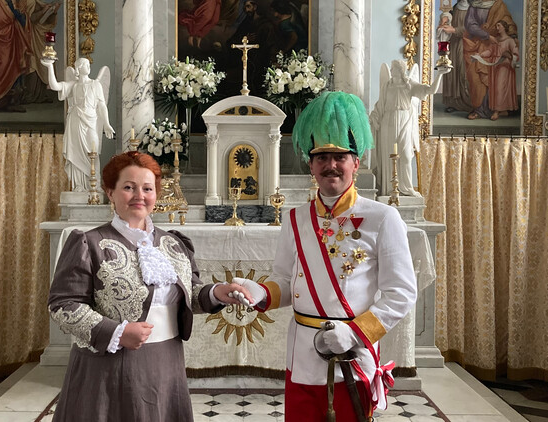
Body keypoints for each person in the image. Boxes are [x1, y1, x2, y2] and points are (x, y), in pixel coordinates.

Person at [232, 91, 418, 422]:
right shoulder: (295, 218)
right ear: (311, 164)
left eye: (339, 157)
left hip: (352, 356)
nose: (330, 165)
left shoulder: (383, 217)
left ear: (356, 162)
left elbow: (401, 293)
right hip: (302, 357)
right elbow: (285, 280)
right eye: (321, 157)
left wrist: (355, 333)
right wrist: (259, 292)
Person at [48, 151, 254, 422]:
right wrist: (117, 332)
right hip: (107, 369)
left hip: (165, 363)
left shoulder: (174, 243)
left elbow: (189, 294)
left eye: (147, 188)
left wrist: (216, 292)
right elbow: (63, 305)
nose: (139, 196)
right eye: (128, 187)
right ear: (110, 192)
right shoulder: (89, 243)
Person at [369, 59, 450, 197]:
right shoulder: (387, 85)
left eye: (394, 68)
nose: (391, 70)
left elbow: (430, 90)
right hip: (388, 122)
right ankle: (389, 190)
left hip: (404, 120)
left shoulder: (409, 84)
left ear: (400, 70)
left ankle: (406, 188)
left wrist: (440, 74)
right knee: (388, 157)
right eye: (392, 68)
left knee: (406, 155)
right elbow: (380, 105)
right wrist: (373, 117)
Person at [41, 57, 114, 192]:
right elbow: (55, 86)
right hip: (75, 121)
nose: (89, 66)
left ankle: (96, 184)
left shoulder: (96, 85)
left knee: (94, 151)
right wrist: (50, 66)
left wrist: (106, 124)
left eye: (88, 64)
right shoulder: (73, 85)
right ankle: (79, 185)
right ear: (79, 68)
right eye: (85, 65)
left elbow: (102, 106)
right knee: (76, 151)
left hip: (91, 122)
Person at [463, 0, 516, 120]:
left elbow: (508, 23)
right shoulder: (474, 6)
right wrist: (487, 35)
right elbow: (470, 25)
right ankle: (479, 109)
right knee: (476, 78)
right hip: (477, 44)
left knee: (494, 80)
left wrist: (512, 36)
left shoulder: (499, 5)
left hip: (496, 47)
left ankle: (496, 109)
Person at [479, 19, 519, 120]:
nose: (497, 28)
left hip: (505, 67)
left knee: (500, 88)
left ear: (504, 27)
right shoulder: (496, 40)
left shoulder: (509, 40)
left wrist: (509, 56)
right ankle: (503, 110)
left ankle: (497, 111)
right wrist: (480, 55)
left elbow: (515, 54)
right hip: (495, 66)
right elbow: (490, 51)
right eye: (496, 26)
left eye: (499, 26)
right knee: (495, 88)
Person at [439, 0, 472, 113]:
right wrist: (445, 20)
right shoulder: (456, 7)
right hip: (453, 44)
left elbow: (473, 28)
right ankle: (453, 102)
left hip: (467, 44)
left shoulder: (473, 9)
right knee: (451, 72)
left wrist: (454, 30)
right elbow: (448, 16)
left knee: (464, 73)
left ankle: (469, 102)